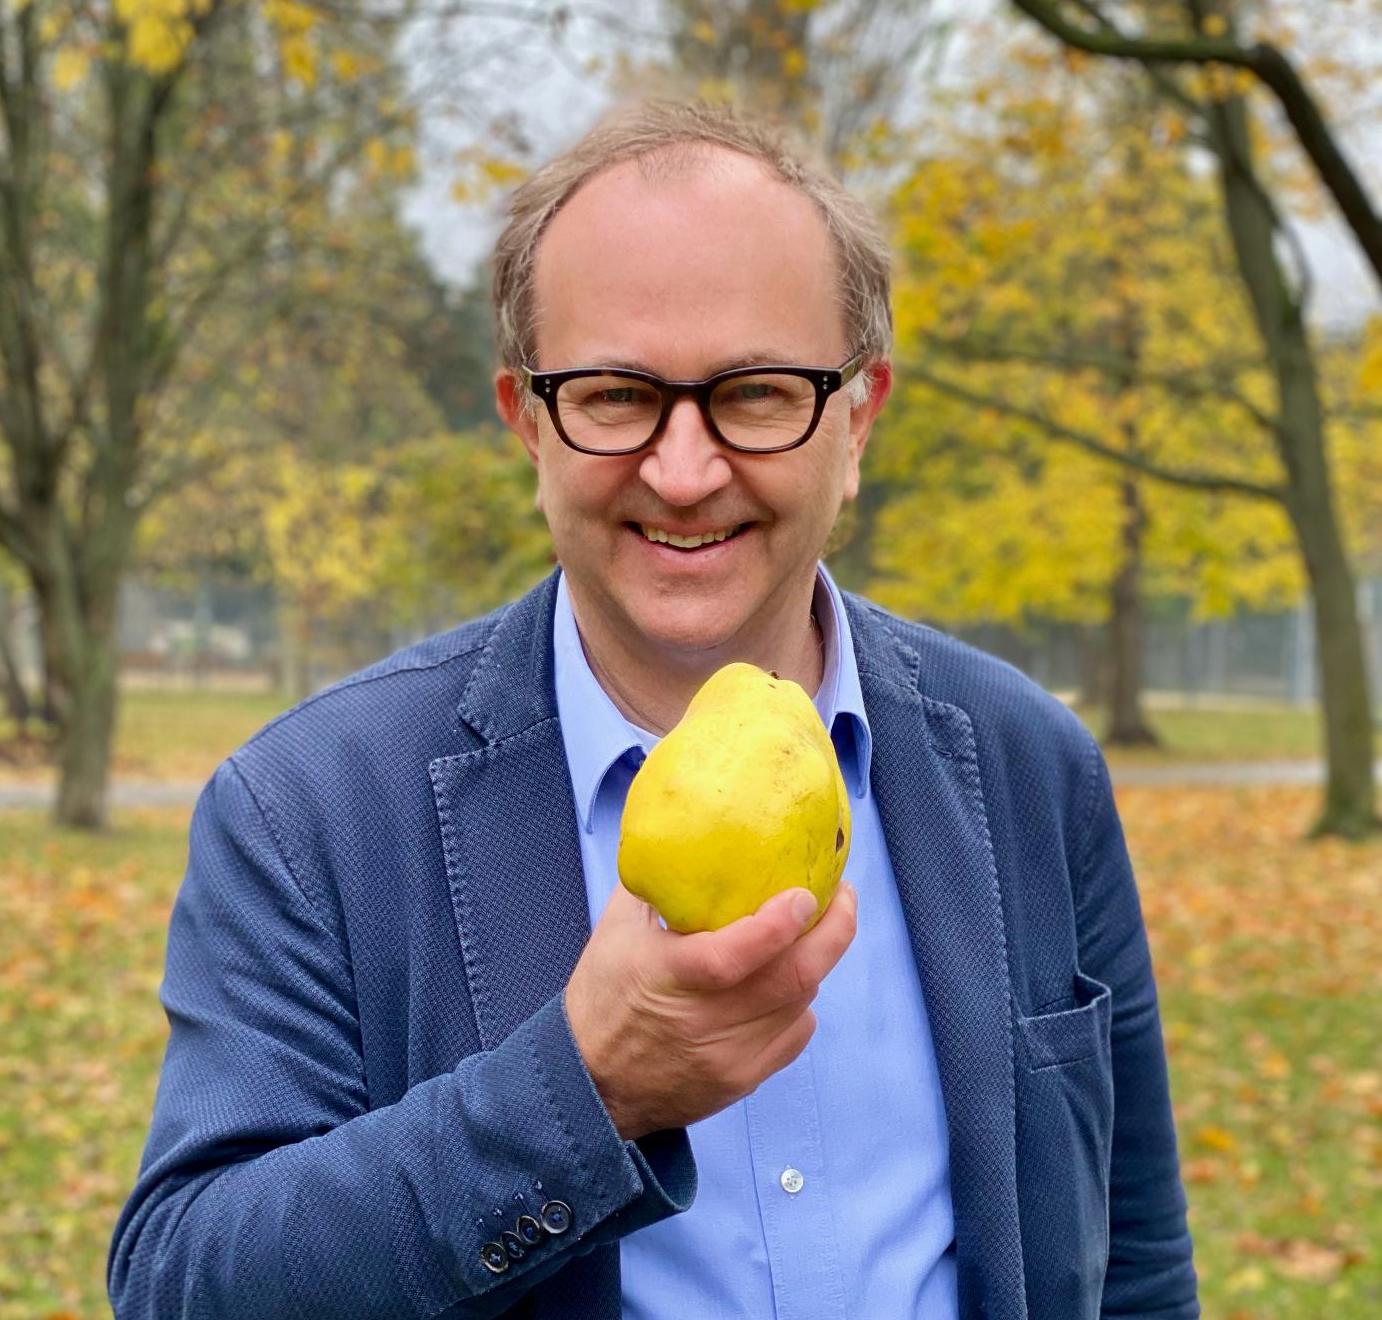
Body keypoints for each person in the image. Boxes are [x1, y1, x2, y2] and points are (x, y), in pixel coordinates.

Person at [108, 100, 1197, 1320]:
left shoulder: (1029, 764)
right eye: (616, 395)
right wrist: (583, 1091)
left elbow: (1136, 1261)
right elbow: (184, 1282)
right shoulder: (307, 811)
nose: (684, 473)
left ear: (858, 417)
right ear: (527, 420)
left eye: (758, 392)